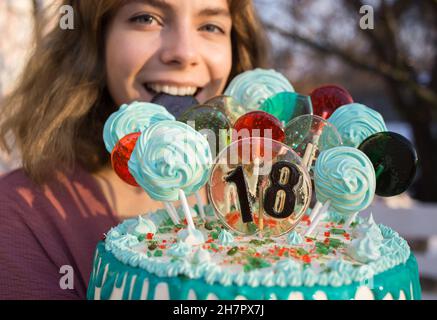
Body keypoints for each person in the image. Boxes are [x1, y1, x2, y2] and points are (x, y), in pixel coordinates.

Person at [0, 0, 268, 299]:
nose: (184, 53)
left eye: (210, 26)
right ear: (95, 41)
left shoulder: (265, 196)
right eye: (146, 18)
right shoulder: (22, 216)